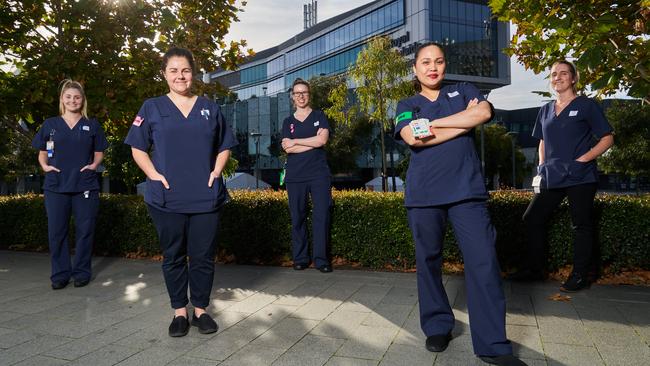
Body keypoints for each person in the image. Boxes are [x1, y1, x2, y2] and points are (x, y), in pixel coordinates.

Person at [394, 42, 526, 366]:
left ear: (444, 65)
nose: (432, 67)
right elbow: (412, 137)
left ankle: (493, 345)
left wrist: (435, 124)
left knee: (484, 263)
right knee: (429, 263)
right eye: (425, 62)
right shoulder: (406, 102)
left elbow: (483, 112)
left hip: (467, 192)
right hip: (424, 195)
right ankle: (438, 326)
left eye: (438, 61)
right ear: (415, 69)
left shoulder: (464, 89)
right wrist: (461, 121)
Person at [125, 47, 237, 337]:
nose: (180, 75)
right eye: (173, 70)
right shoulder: (151, 107)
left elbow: (225, 145)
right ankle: (179, 312)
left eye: (185, 70)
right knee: (173, 255)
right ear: (164, 74)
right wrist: (153, 175)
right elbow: (138, 148)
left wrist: (215, 171)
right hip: (165, 196)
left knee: (202, 256)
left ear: (193, 73)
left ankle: (200, 310)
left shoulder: (209, 108)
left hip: (206, 194)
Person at [508, 60, 614, 292]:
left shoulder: (586, 105)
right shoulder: (545, 109)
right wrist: (542, 166)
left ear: (574, 78)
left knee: (581, 226)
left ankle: (579, 275)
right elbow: (542, 141)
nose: (558, 77)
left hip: (580, 176)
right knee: (532, 218)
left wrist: (584, 159)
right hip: (552, 176)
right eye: (554, 74)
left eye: (564, 73)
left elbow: (607, 138)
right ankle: (535, 270)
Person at [32, 79, 108, 290]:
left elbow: (99, 150)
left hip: (85, 184)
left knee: (85, 230)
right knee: (57, 232)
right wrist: (45, 166)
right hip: (56, 185)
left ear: (82, 100)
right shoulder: (51, 125)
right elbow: (44, 151)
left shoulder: (91, 125)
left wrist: (94, 165)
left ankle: (82, 273)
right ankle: (60, 274)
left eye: (77, 97)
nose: (73, 100)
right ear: (62, 100)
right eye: (68, 97)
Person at [281, 78, 333, 273]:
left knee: (322, 216)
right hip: (295, 176)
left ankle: (321, 260)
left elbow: (322, 141)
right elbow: (287, 148)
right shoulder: (288, 121)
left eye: (304, 92)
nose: (301, 96)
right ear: (293, 97)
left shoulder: (320, 115)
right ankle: (301, 258)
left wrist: (296, 142)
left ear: (309, 95)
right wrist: (309, 141)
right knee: (298, 218)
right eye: (297, 93)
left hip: (319, 174)